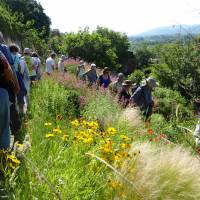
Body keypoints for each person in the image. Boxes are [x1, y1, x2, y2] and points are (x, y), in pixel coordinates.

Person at [0, 50, 20, 149]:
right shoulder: (1, 54)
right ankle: (3, 156)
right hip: (1, 91)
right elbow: (9, 72)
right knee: (4, 127)